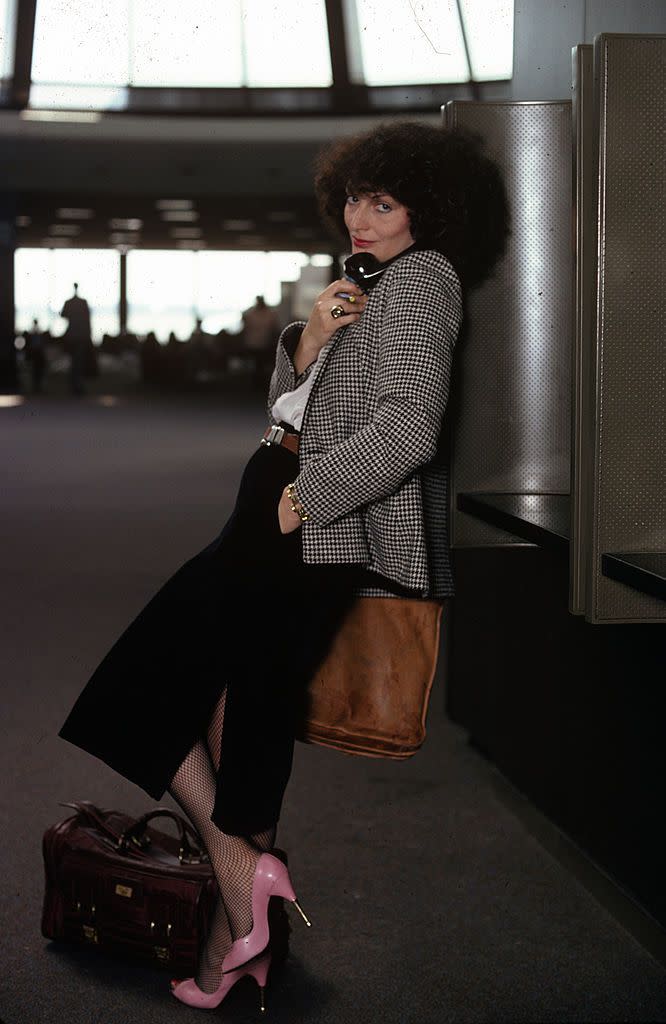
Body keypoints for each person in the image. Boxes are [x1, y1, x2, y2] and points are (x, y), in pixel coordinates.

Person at [58, 120, 509, 1011]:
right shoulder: (366, 280)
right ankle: (243, 931)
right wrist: (307, 346)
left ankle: (242, 877)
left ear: (431, 207)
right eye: (352, 197)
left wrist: (306, 498)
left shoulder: (425, 281)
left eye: (383, 201)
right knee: (244, 709)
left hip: (307, 521)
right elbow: (293, 408)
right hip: (273, 506)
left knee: (143, 687)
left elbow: (411, 428)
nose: (359, 216)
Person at [60, 283, 91, 396]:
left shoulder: (69, 302)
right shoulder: (83, 303)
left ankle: (74, 385)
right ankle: (77, 385)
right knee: (79, 362)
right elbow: (88, 320)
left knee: (74, 362)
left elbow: (63, 315)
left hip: (72, 336)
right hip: (81, 336)